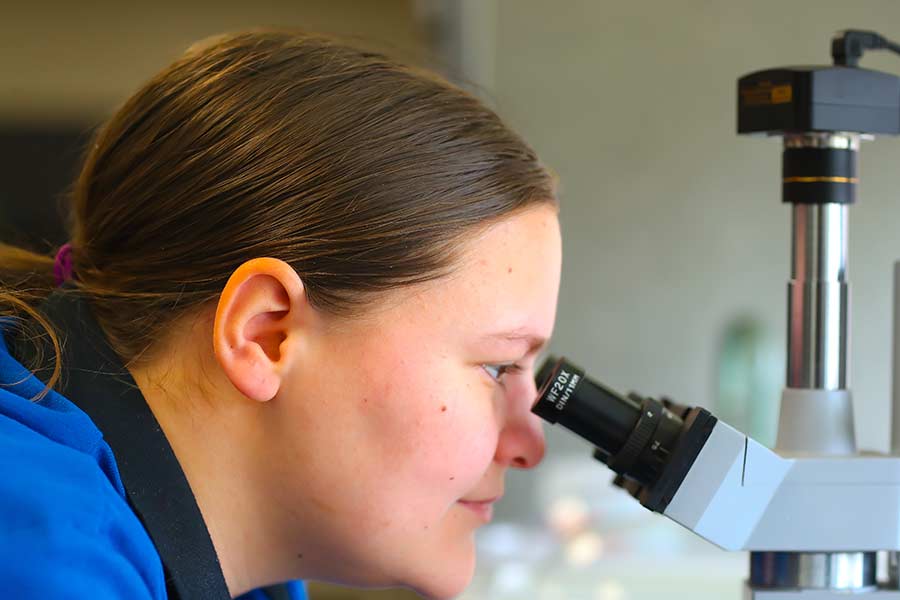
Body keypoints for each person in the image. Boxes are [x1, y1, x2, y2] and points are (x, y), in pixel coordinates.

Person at [0, 29, 561, 600]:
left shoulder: (237, 559)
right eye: (497, 367)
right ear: (264, 333)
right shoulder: (43, 560)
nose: (528, 444)